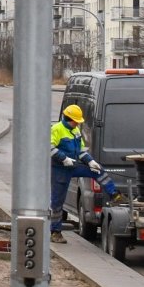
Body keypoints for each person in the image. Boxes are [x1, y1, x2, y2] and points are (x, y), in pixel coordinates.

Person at [49, 104, 123, 243]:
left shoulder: (75, 130)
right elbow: (49, 148)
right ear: (69, 119)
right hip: (60, 169)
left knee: (97, 170)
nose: (77, 123)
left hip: (73, 165)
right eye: (76, 121)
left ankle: (115, 194)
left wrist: (90, 161)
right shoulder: (56, 129)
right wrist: (63, 159)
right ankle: (55, 232)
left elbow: (81, 150)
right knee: (57, 202)